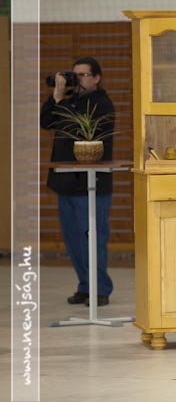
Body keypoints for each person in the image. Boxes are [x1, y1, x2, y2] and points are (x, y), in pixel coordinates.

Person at [40, 57, 115, 307]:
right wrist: (55, 97)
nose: (78, 80)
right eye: (75, 75)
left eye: (83, 75)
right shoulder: (68, 100)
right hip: (66, 182)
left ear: (96, 78)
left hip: (91, 184)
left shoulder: (102, 103)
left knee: (93, 239)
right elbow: (46, 122)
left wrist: (61, 101)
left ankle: (100, 288)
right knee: (73, 240)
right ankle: (85, 285)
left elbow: (76, 126)